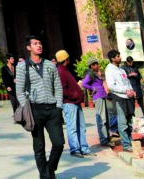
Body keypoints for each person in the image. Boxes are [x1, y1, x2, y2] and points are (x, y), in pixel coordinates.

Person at [16, 35, 65, 179]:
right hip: (35, 110)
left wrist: (59, 106)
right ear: (29, 47)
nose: (39, 46)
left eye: (40, 43)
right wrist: (26, 108)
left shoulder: (50, 65)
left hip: (52, 110)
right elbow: (19, 90)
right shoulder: (22, 66)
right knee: (39, 147)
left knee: (59, 143)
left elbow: (58, 87)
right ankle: (45, 176)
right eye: (35, 43)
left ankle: (49, 169)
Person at [56, 50, 90, 158]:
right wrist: (75, 94)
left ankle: (84, 148)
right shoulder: (60, 71)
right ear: (66, 59)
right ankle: (74, 149)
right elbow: (63, 89)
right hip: (69, 103)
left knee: (81, 127)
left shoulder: (65, 70)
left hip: (75, 102)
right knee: (72, 127)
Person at [104, 49, 134, 152]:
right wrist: (125, 91)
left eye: (119, 56)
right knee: (122, 122)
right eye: (117, 56)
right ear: (112, 59)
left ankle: (130, 142)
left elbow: (127, 82)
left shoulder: (121, 70)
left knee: (129, 121)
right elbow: (111, 86)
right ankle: (125, 144)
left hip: (128, 97)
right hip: (119, 98)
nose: (120, 58)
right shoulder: (110, 69)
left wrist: (131, 91)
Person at [80, 58, 109, 146]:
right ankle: (103, 139)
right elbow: (84, 84)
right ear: (92, 65)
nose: (98, 65)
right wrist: (93, 89)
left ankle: (106, 137)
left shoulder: (95, 74)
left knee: (105, 118)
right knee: (102, 119)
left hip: (102, 96)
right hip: (98, 97)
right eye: (96, 64)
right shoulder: (90, 74)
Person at [123, 56, 144, 121]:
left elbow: (140, 77)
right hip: (130, 88)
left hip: (137, 87)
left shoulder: (135, 67)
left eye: (132, 62)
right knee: (131, 105)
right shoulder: (124, 68)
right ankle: (132, 119)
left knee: (141, 102)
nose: (131, 64)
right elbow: (123, 78)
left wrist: (136, 75)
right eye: (129, 63)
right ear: (127, 62)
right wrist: (129, 75)